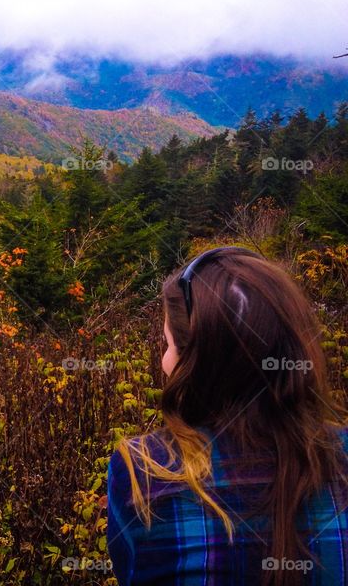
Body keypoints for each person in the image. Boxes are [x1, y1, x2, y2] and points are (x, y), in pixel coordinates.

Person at [107, 246, 348, 585]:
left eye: (168, 345)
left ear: (195, 362)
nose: (163, 361)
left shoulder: (143, 470)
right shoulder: (340, 455)